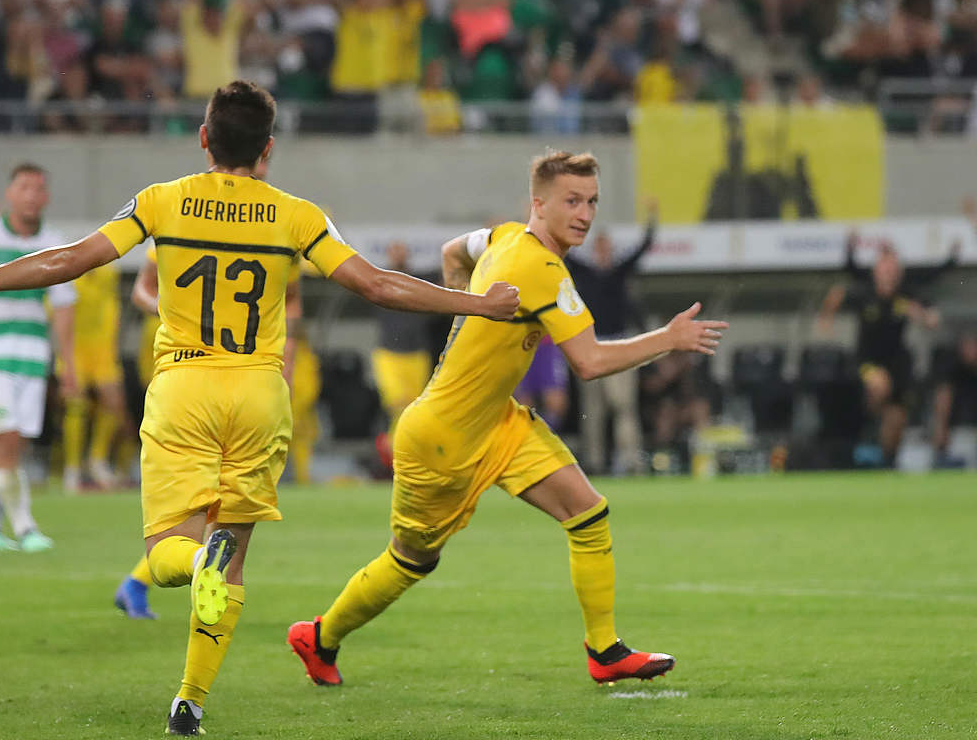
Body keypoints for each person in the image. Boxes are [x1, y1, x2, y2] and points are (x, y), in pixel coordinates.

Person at [0, 80, 520, 736]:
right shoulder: (296, 214)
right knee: (231, 558)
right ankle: (190, 702)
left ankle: (191, 570)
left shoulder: (162, 200)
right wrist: (478, 303)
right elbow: (376, 284)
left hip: (185, 387)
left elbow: (70, 260)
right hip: (261, 394)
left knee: (169, 548)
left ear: (204, 139)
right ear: (267, 149)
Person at [287, 151, 728, 691]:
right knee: (410, 560)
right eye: (571, 201)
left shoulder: (501, 236)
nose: (585, 213)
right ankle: (320, 636)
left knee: (588, 513)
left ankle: (605, 651)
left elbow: (454, 251)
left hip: (498, 422)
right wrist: (669, 338)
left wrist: (464, 317)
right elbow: (588, 364)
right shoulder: (540, 268)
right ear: (537, 204)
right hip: (440, 440)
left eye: (592, 201)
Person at [0, 163, 71, 553]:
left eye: (38, 188)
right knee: (2, 441)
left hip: (33, 358)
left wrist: (66, 364)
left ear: (47, 196)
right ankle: (25, 527)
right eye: (24, 187)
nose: (32, 195)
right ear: (10, 193)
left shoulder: (54, 243)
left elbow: (64, 306)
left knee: (13, 444)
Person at [817, 232, 955, 466]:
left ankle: (886, 460)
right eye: (885, 269)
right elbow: (837, 294)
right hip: (867, 359)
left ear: (898, 272)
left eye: (893, 270)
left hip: (898, 363)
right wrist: (825, 321)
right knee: (880, 384)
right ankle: (868, 416)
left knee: (897, 422)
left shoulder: (907, 295)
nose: (889, 274)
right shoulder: (864, 292)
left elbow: (934, 319)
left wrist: (919, 314)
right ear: (876, 272)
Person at [567, 199, 657, 474]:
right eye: (599, 247)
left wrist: (652, 219)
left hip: (618, 344)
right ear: (595, 250)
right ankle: (594, 463)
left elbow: (643, 248)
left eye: (606, 247)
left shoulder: (618, 272)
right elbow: (563, 253)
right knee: (592, 411)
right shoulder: (586, 273)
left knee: (624, 407)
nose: (603, 251)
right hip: (591, 346)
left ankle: (631, 461)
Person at [62, 260, 129, 493]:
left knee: (114, 403)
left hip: (102, 349)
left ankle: (97, 459)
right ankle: (71, 469)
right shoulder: (68, 276)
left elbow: (112, 309)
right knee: (76, 405)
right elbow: (60, 315)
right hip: (75, 347)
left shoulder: (108, 273)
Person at [370, 240, 434, 435]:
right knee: (397, 406)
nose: (398, 255)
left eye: (402, 251)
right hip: (389, 355)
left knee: (414, 410)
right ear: (388, 255)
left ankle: (408, 455)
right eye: (394, 251)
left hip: (417, 354)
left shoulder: (420, 282)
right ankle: (394, 458)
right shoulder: (377, 281)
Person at [933, 327, 977, 468]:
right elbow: (943, 397)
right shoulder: (952, 368)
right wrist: (941, 427)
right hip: (960, 429)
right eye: (968, 345)